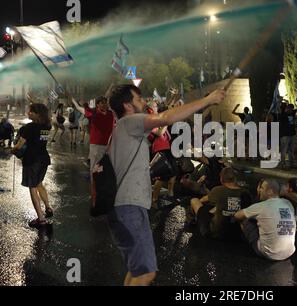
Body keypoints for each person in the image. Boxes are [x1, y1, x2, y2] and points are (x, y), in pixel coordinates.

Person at [107, 84, 225, 286]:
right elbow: (165, 118)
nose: (144, 102)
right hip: (129, 207)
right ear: (127, 105)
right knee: (145, 273)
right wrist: (207, 100)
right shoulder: (129, 122)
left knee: (137, 270)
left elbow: (165, 121)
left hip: (123, 207)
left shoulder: (123, 129)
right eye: (139, 99)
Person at [11, 104, 54, 227]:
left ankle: (40, 219)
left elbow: (19, 146)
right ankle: (48, 208)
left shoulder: (29, 128)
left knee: (33, 187)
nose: (28, 113)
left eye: (30, 111)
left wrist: (12, 150)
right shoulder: (47, 126)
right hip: (44, 159)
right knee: (39, 184)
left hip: (32, 160)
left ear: (36, 114)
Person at [234, 178, 296, 261]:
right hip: (289, 252)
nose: (259, 190)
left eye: (262, 188)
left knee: (245, 220)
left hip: (270, 253)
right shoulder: (288, 203)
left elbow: (237, 215)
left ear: (270, 191)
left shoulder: (262, 206)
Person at [190, 167, 252, 241]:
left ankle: (193, 220)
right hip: (237, 233)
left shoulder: (218, 190)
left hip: (215, 233)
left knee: (194, 201)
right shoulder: (246, 193)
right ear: (235, 179)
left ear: (221, 179)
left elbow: (202, 200)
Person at [71, 96, 115, 172]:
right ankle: (94, 182)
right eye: (102, 103)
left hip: (109, 145)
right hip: (97, 145)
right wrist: (73, 100)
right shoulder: (93, 114)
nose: (104, 104)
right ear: (97, 104)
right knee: (95, 168)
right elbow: (78, 108)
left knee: (105, 168)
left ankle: (102, 181)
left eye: (105, 103)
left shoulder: (111, 114)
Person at [279, 104, 297, 169]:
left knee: (291, 150)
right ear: (287, 108)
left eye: (292, 109)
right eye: (289, 108)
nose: (291, 110)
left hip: (292, 134)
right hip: (285, 135)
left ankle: (291, 163)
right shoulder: (283, 115)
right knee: (284, 150)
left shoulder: (293, 114)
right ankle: (283, 164)